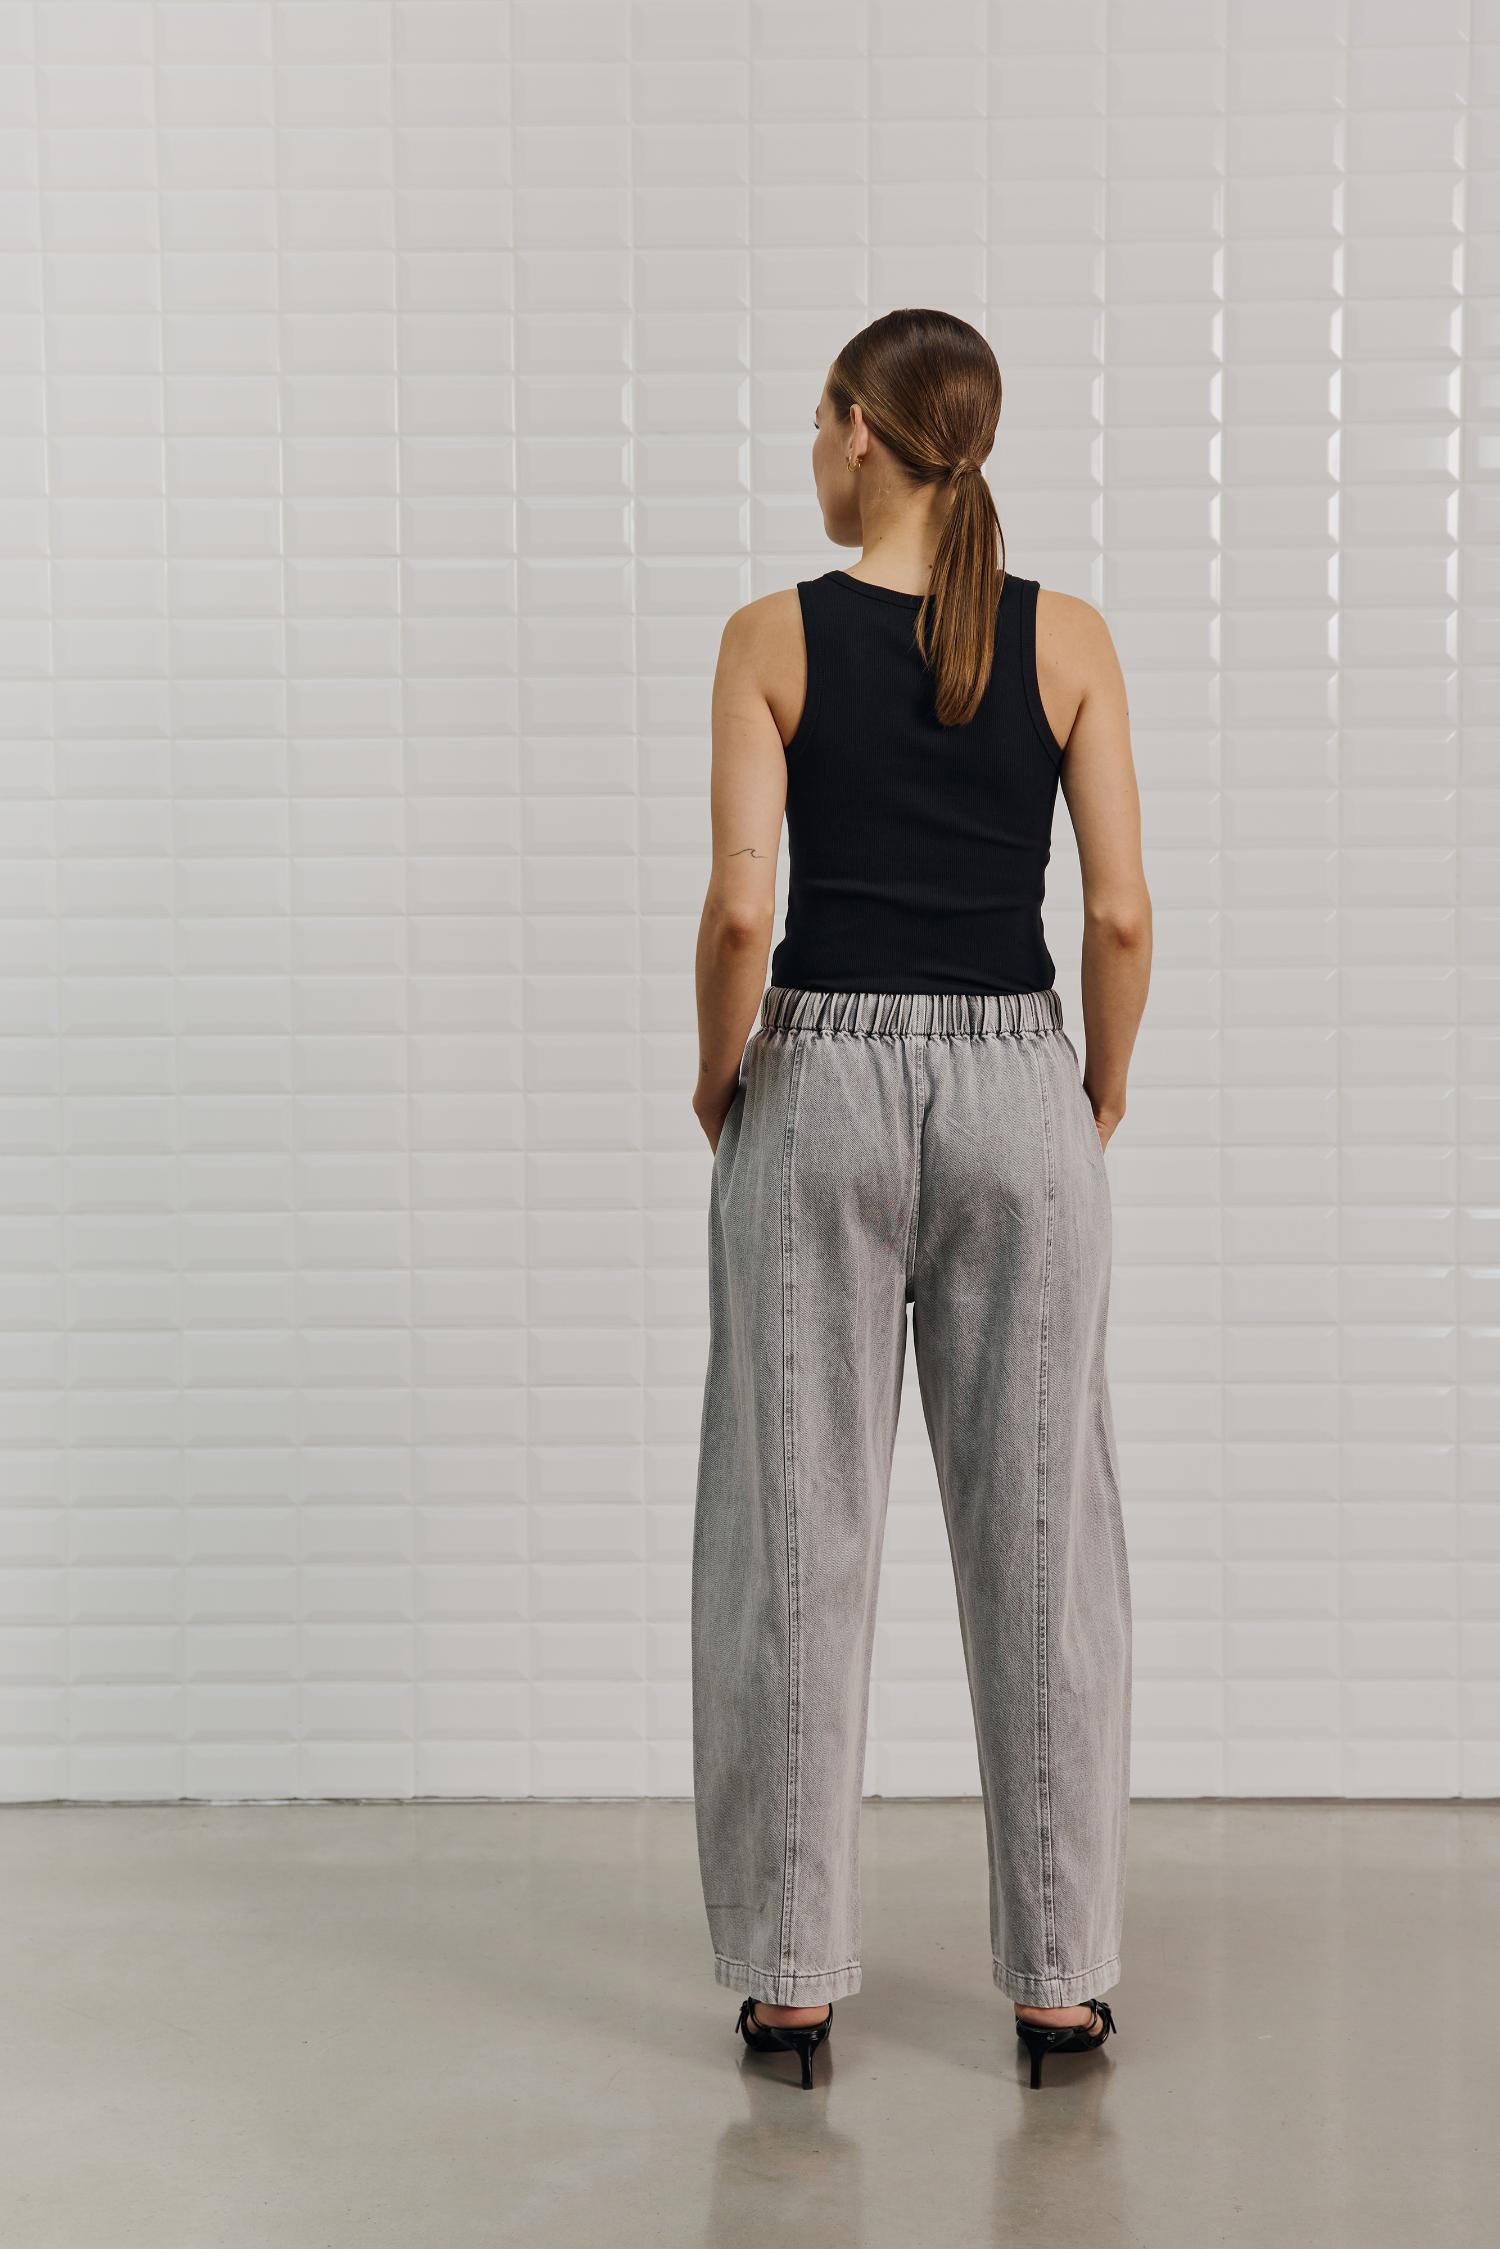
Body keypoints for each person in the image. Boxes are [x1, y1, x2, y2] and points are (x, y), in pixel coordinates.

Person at [689, 308, 1151, 2092]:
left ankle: (792, 1985)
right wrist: (1096, 1085)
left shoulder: (769, 638)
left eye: (818, 424)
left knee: (794, 1537)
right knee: (1043, 1546)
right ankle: (1060, 1988)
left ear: (860, 434)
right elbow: (1118, 914)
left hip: (819, 1080)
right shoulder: (1070, 638)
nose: (814, 452)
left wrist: (720, 1074)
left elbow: (744, 909)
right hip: (1021, 1079)